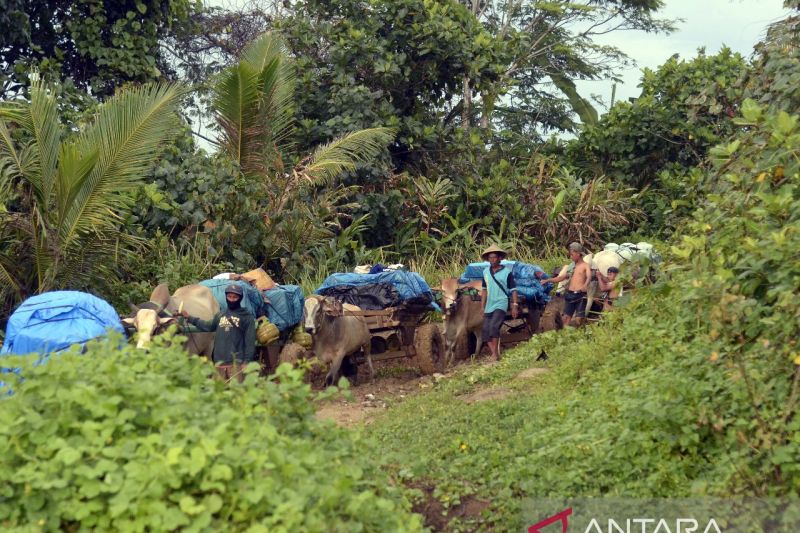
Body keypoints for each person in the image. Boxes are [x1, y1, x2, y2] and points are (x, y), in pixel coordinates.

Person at [180, 284, 257, 380]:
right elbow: (208, 326)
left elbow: (250, 342)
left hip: (236, 363)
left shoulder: (247, 317)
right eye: (229, 296)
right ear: (226, 297)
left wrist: (246, 362)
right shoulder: (221, 314)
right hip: (218, 362)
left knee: (236, 392)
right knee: (219, 392)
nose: (232, 299)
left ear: (240, 298)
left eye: (235, 297)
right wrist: (189, 318)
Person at [479, 244, 519, 361]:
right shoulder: (485, 272)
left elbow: (513, 290)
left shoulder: (507, 272)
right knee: (485, 331)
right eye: (490, 257)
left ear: (500, 258)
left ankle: (495, 354)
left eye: (495, 257)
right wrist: (482, 306)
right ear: (488, 259)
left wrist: (515, 305)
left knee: (494, 327)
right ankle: (494, 353)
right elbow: (484, 290)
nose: (492, 260)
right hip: (489, 304)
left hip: (501, 302)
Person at [541, 242, 590, 326]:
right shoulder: (572, 267)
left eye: (572, 255)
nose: (570, 257)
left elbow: (589, 277)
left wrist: (585, 285)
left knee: (579, 320)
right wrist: (548, 280)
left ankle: (580, 333)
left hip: (580, 295)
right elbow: (561, 277)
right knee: (566, 319)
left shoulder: (585, 265)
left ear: (578, 254)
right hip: (570, 294)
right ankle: (565, 335)